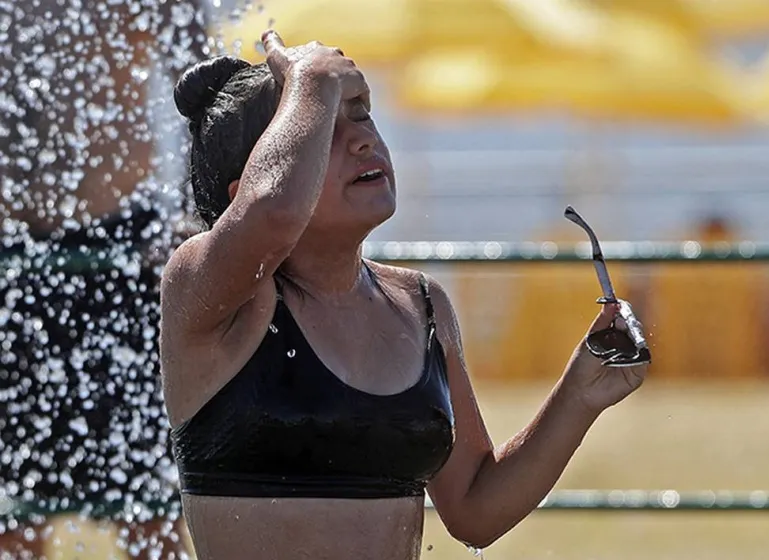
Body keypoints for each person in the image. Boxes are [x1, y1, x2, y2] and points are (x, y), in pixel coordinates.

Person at [161, 30, 647, 560]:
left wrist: (578, 394)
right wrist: (310, 76)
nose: (364, 140)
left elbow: (473, 510)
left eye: (362, 113)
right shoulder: (210, 294)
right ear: (244, 190)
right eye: (323, 128)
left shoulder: (419, 303)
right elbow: (270, 214)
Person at [0, 1, 208, 558]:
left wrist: (196, 214)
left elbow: (204, 87)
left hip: (123, 244)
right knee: (10, 511)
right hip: (11, 256)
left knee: (151, 505)